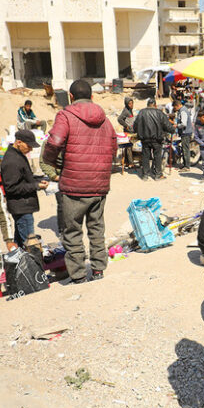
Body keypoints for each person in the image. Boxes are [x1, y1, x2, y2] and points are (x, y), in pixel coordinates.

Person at [42, 79, 117, 284]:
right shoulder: (105, 120)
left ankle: (79, 276)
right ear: (92, 97)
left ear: (71, 97)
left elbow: (54, 142)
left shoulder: (65, 115)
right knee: (96, 229)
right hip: (99, 185)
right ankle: (99, 270)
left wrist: (50, 162)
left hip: (74, 185)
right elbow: (114, 148)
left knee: (72, 232)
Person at [0, 129, 47, 246]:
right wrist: (36, 186)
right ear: (19, 142)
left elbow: (23, 178)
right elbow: (11, 188)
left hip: (23, 207)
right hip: (21, 208)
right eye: (29, 146)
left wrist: (38, 181)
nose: (30, 149)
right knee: (30, 244)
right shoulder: (12, 160)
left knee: (21, 243)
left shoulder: (18, 155)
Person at [135, 98, 172, 181]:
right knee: (157, 156)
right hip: (157, 139)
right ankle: (158, 175)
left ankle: (145, 175)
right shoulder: (159, 113)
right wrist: (172, 130)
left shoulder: (141, 112)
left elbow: (135, 125)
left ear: (147, 105)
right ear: (155, 105)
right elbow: (167, 125)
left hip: (145, 139)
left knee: (145, 156)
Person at [175, 99, 195, 171]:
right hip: (185, 132)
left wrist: (177, 126)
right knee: (184, 149)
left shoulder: (183, 111)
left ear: (177, 106)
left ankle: (187, 166)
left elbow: (184, 124)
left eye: (175, 107)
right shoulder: (182, 110)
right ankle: (184, 164)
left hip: (185, 133)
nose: (175, 109)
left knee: (185, 149)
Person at [118, 97, 136, 169]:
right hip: (127, 132)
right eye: (129, 103)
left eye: (132, 103)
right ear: (126, 104)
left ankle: (127, 162)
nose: (131, 105)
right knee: (129, 147)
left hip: (131, 131)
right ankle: (131, 163)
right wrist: (126, 126)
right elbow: (119, 119)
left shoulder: (130, 110)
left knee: (129, 147)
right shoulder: (125, 111)